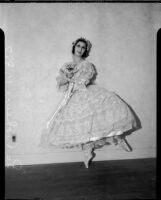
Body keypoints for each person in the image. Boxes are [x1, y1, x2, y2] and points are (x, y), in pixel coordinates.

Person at [40, 37, 137, 168]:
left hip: (86, 93)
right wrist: (66, 78)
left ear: (85, 50)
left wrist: (72, 78)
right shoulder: (65, 66)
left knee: (101, 117)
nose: (80, 49)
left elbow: (84, 80)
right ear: (73, 47)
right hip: (73, 97)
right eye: (78, 46)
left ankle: (119, 138)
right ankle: (87, 151)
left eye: (83, 47)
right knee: (82, 127)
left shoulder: (87, 65)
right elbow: (61, 85)